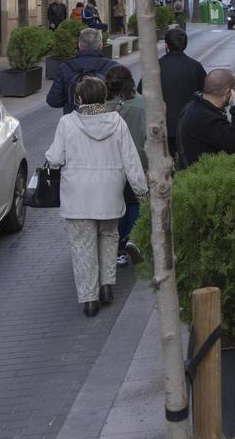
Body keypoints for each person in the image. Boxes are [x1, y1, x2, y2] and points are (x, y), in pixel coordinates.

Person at [46, 77, 148, 317]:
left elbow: (55, 158)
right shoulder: (118, 122)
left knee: (83, 246)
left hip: (77, 197)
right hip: (109, 194)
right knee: (109, 238)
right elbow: (131, 160)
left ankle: (89, 299)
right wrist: (141, 191)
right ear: (104, 98)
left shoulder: (67, 123)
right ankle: (107, 286)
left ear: (79, 98)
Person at [141, 27, 206, 156]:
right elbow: (206, 93)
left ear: (166, 45)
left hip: (161, 125)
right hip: (188, 124)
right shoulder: (195, 67)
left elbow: (141, 91)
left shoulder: (155, 67)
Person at [105, 66, 146, 267]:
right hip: (137, 162)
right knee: (137, 202)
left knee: (117, 205)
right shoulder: (142, 104)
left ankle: (119, 248)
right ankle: (133, 236)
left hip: (110, 164)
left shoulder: (102, 107)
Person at [176, 69, 235, 169]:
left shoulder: (192, 106)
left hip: (196, 169)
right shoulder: (207, 118)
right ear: (228, 92)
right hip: (205, 173)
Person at [47, 28, 118, 114]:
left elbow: (53, 101)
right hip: (104, 119)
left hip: (73, 118)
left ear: (79, 46)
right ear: (101, 46)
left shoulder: (65, 67)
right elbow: (120, 98)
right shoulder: (113, 66)